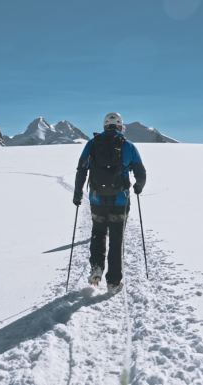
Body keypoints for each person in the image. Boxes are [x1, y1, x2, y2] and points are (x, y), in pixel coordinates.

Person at [73, 112, 146, 292]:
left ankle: (96, 267)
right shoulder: (128, 146)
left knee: (98, 233)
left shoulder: (92, 144)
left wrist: (77, 193)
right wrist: (138, 186)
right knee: (116, 239)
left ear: (104, 126)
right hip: (120, 201)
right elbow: (141, 173)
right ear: (120, 126)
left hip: (97, 200)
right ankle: (113, 282)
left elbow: (81, 169)